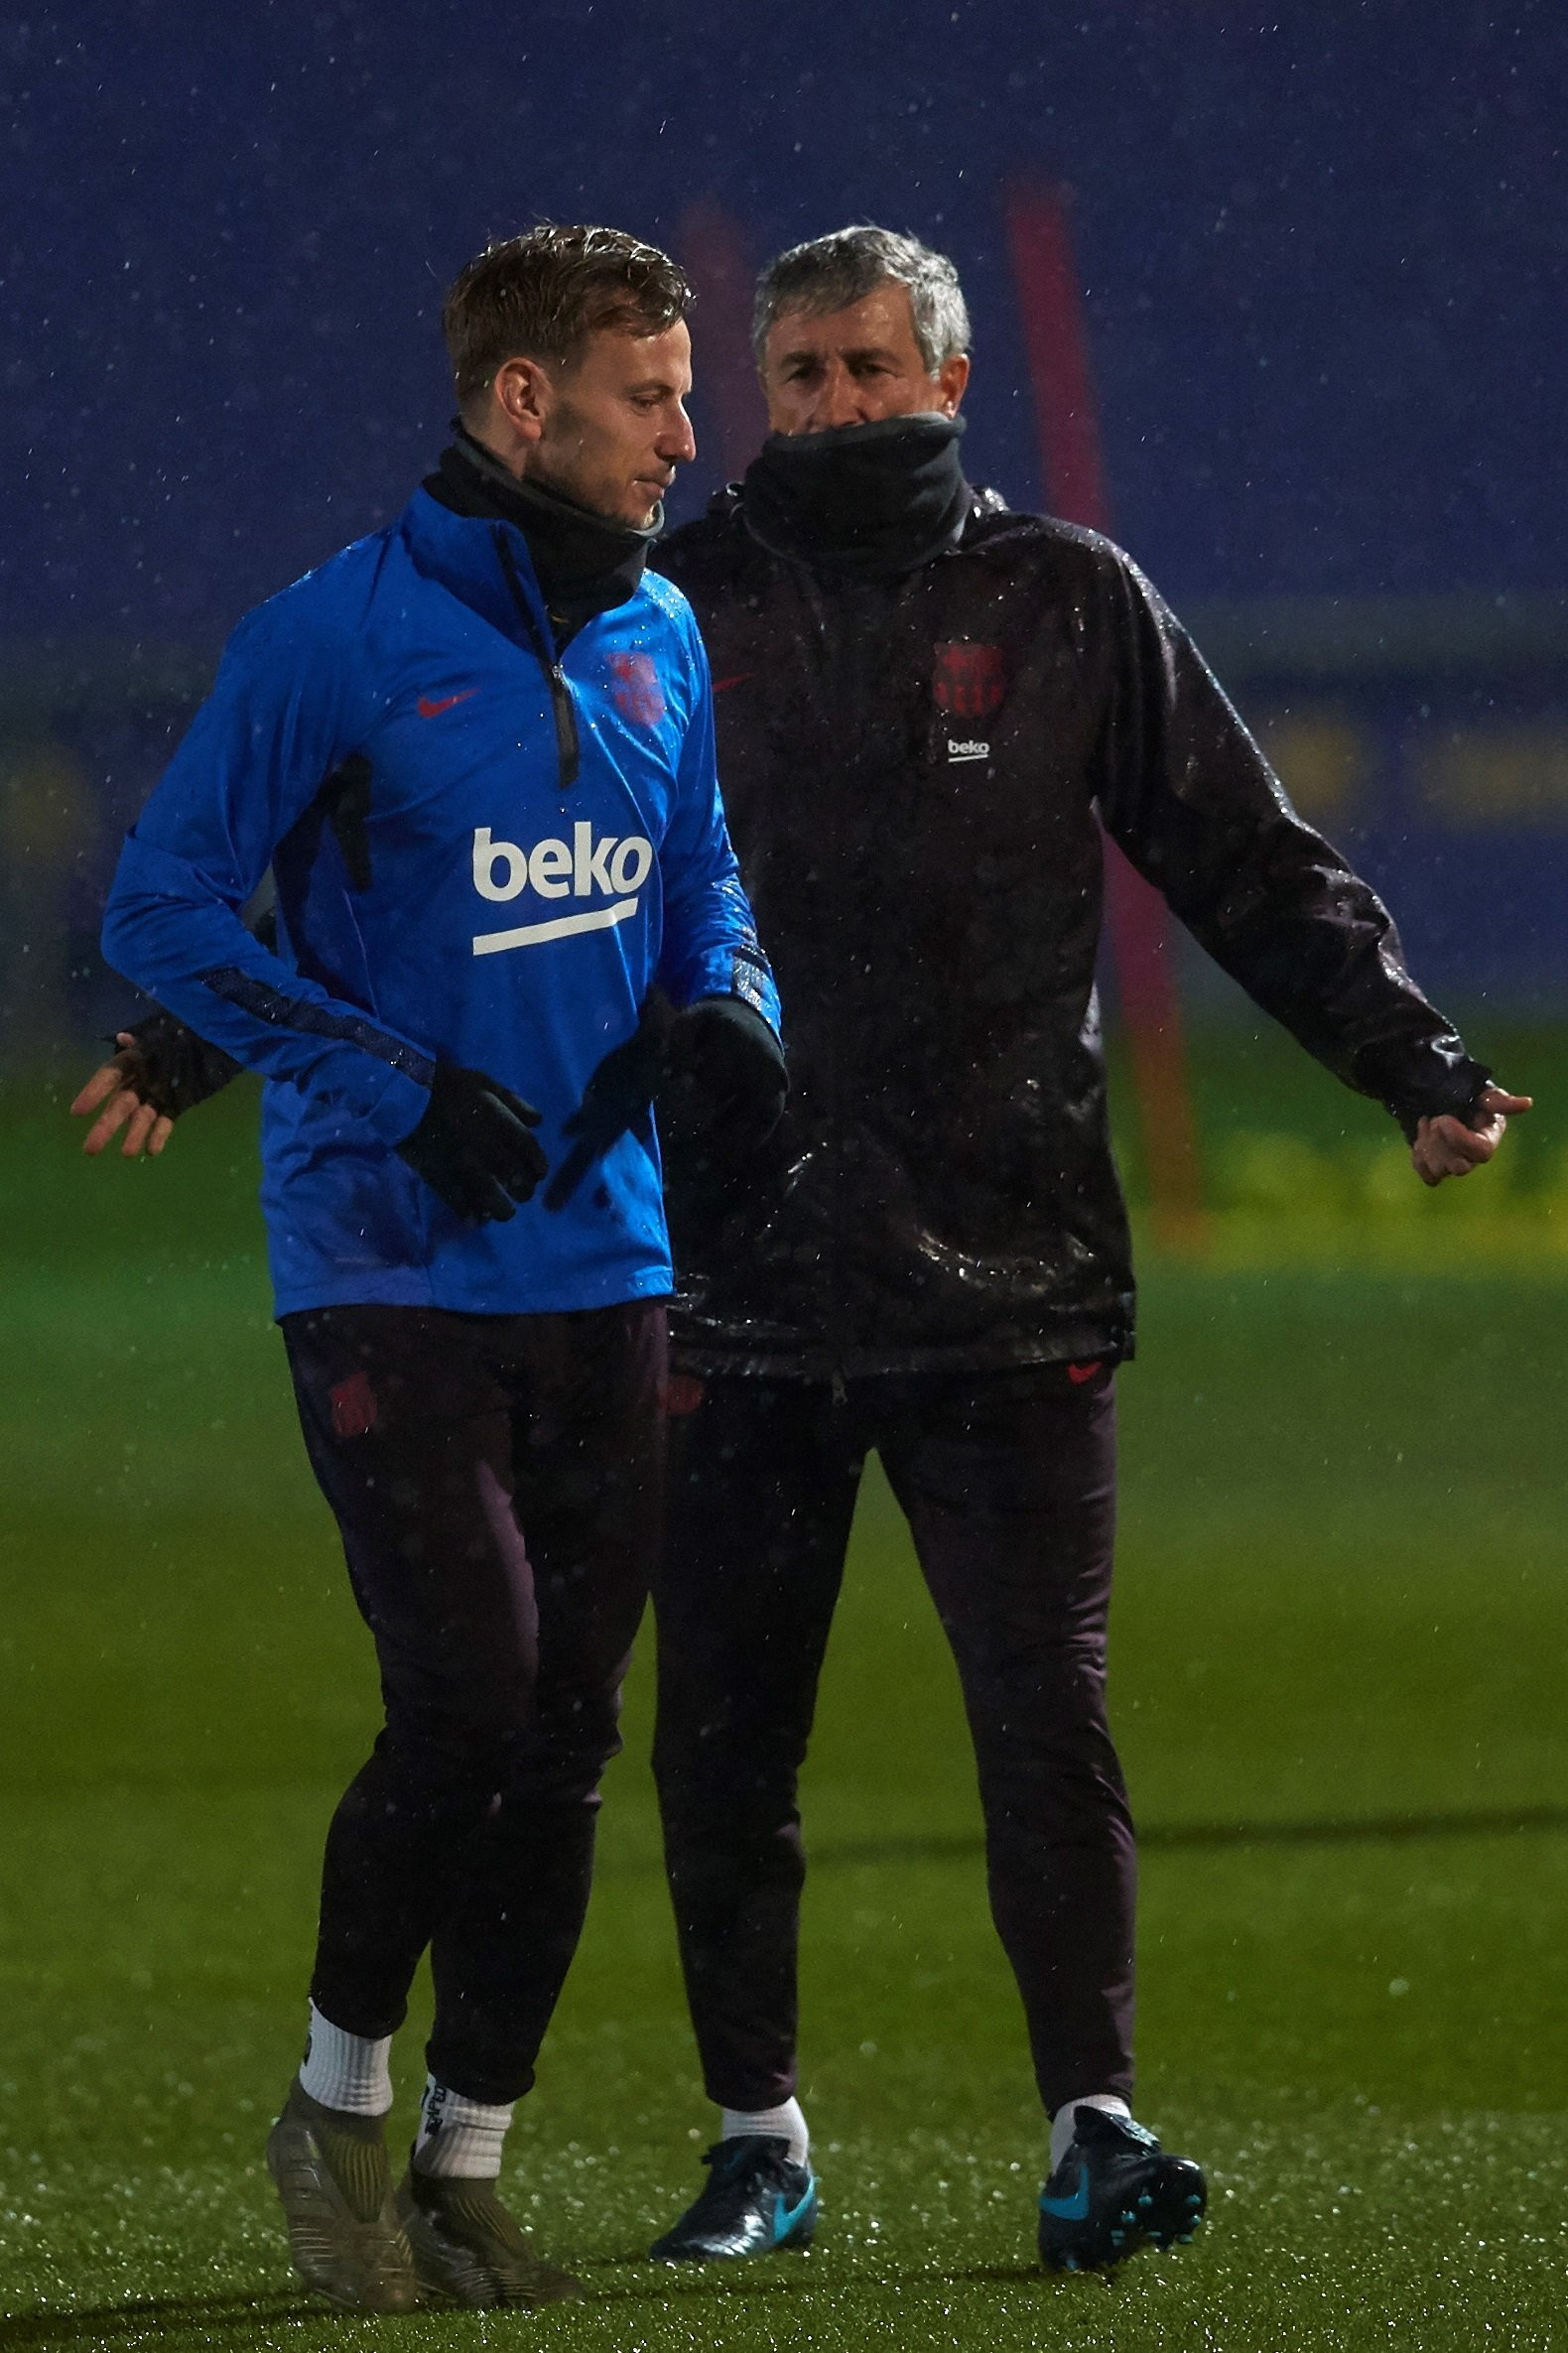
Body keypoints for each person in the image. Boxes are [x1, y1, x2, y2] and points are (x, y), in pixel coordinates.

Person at [79, 223, 1527, 2282]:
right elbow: (338, 880)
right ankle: (632, 2122)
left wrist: (1398, 1048)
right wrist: (227, 1045)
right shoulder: (571, 605)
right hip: (662, 1277)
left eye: (865, 369)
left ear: (950, 382)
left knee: (989, 1716)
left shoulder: (1012, 604)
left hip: (951, 1261)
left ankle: (1022, 2126)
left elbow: (1216, 852)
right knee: (629, 1729)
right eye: (787, 376)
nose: (810, 410)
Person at [92, 222, 784, 2314]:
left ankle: (471, 2163)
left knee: (568, 1727)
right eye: (649, 396)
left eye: (685, 390)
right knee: (465, 1695)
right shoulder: (334, 633)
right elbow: (166, 913)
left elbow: (701, 891)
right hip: (385, 1257)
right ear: (521, 403)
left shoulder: (664, 629)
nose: (688, 431)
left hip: (610, 1261)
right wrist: (394, 1082)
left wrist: (733, 1008)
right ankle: (334, 2102)